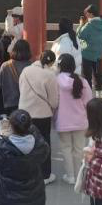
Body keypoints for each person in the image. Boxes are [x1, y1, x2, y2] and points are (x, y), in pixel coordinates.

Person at [18, 49, 59, 185]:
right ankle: (45, 175)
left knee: (26, 143)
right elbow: (54, 101)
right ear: (51, 63)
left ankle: (27, 173)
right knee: (43, 144)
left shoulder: (26, 70)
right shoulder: (50, 75)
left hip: (24, 112)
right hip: (42, 114)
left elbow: (21, 88)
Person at [54, 53, 93, 184]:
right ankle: (78, 175)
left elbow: (54, 101)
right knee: (79, 149)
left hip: (62, 121)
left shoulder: (56, 80)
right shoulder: (82, 81)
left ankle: (70, 176)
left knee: (66, 148)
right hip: (80, 121)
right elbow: (88, 102)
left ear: (59, 66)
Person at [78, 4, 102, 95]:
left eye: (86, 13)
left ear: (91, 14)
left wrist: (81, 25)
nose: (85, 15)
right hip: (99, 53)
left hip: (87, 54)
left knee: (87, 75)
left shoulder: (89, 25)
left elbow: (80, 35)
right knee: (97, 73)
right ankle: (99, 94)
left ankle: (89, 94)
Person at [0, 39, 32, 115]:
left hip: (10, 102)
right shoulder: (31, 66)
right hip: (27, 102)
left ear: (14, 50)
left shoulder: (5, 65)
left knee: (12, 121)